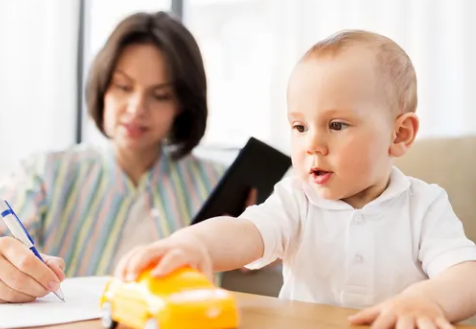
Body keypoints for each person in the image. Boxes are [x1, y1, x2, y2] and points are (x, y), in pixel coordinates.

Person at [115, 30, 476, 328]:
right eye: (299, 126)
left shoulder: (424, 205)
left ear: (399, 135)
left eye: (337, 125)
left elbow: (467, 275)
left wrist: (426, 299)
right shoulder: (296, 199)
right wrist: (194, 244)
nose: (312, 144)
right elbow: (245, 233)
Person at [0, 11, 251, 303]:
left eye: (160, 95)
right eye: (123, 87)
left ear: (182, 105)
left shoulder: (216, 182)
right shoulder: (46, 172)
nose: (136, 108)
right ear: (103, 87)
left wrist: (260, 247)